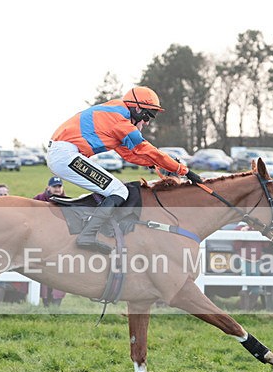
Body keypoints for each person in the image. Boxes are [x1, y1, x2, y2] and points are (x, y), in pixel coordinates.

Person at [47, 86, 191, 253]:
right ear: (137, 108)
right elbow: (144, 148)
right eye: (148, 115)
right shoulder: (120, 120)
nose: (147, 122)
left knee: (115, 189)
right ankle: (87, 235)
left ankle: (95, 227)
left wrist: (155, 164)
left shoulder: (118, 114)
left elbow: (129, 155)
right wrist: (182, 170)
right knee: (118, 190)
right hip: (65, 155)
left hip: (64, 154)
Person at [32, 177, 68, 306]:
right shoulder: (38, 200)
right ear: (48, 187)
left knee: (59, 272)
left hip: (60, 242)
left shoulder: (67, 202)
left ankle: (57, 301)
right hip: (41, 241)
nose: (57, 189)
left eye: (59, 186)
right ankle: (45, 300)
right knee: (43, 271)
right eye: (54, 187)